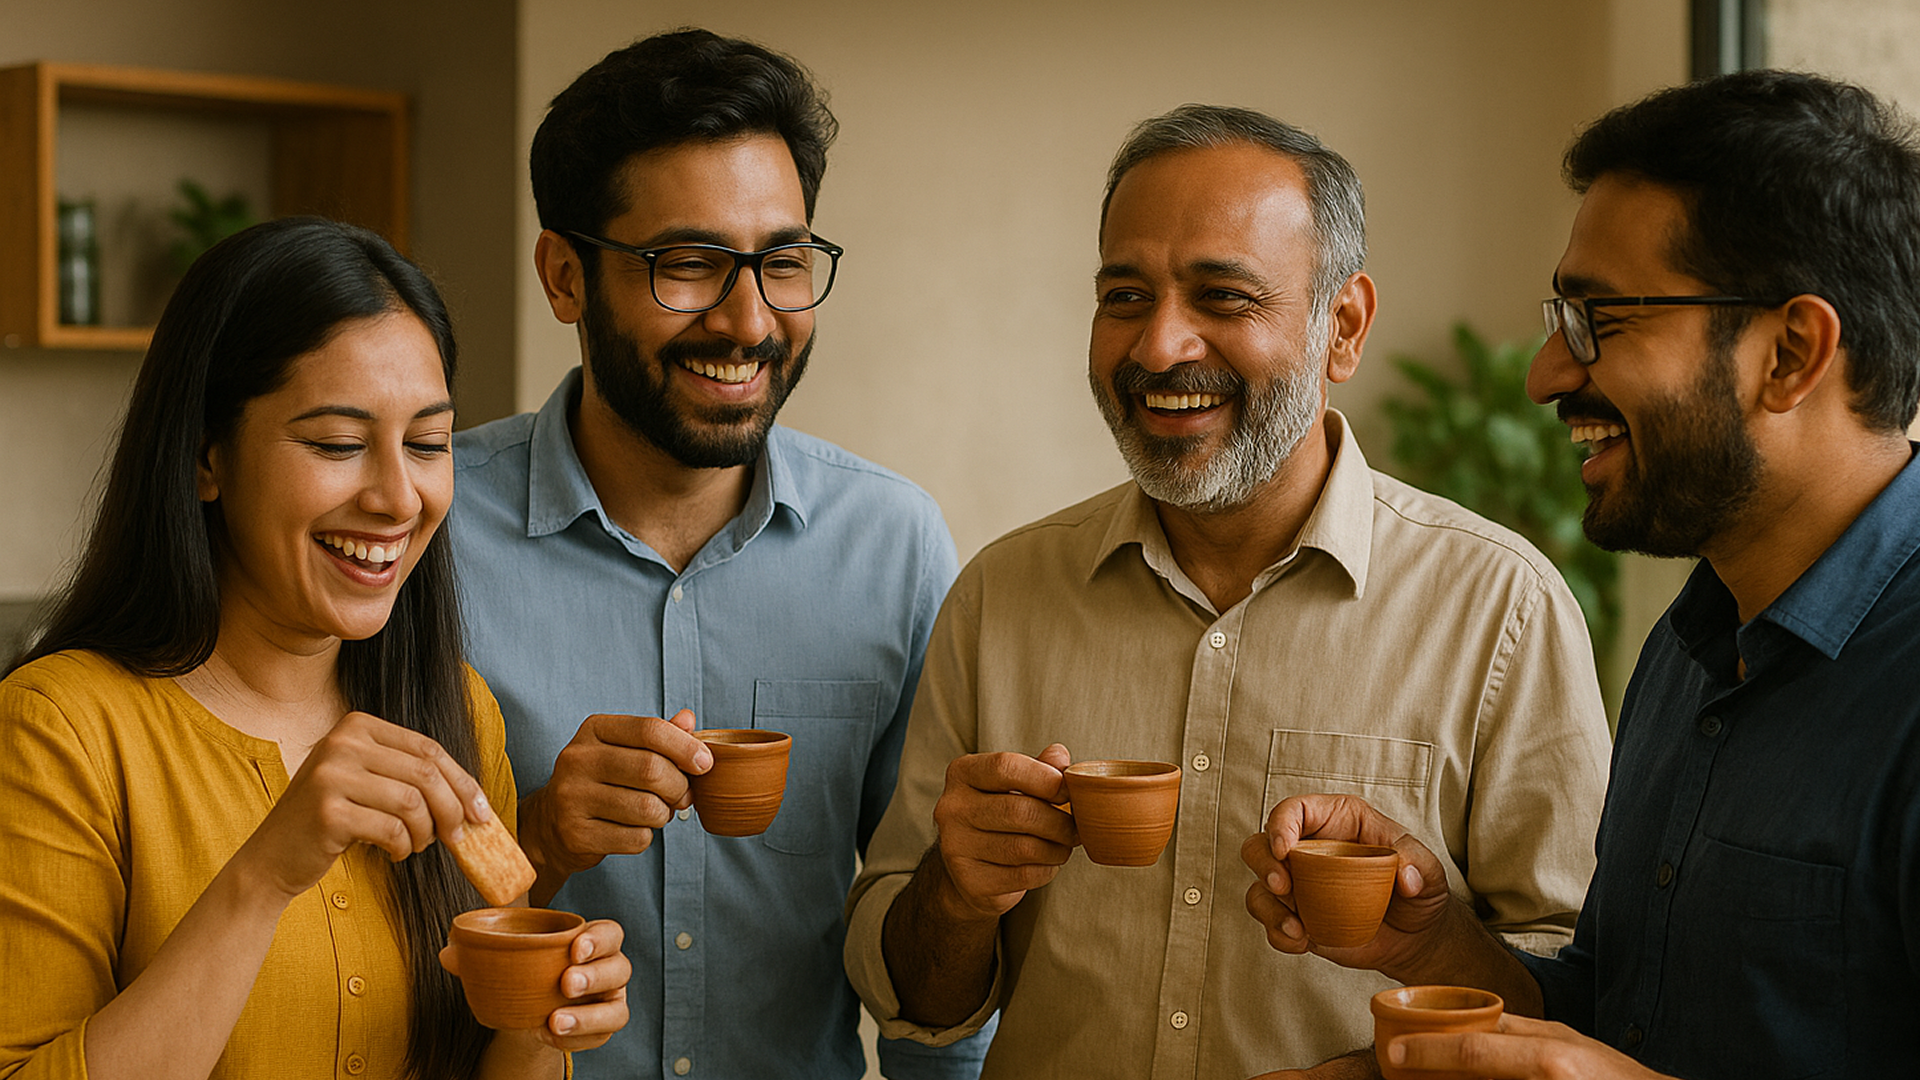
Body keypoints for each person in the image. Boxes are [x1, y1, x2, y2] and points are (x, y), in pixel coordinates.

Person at [843, 103, 1613, 1078]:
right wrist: (954, 894)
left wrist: (1432, 940)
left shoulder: (1501, 610)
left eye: (1224, 298)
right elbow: (916, 1004)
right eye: (1125, 295)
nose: (1160, 347)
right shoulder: (1001, 596)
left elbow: (1576, 1004)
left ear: (1344, 326)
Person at [1245, 69, 1920, 1079]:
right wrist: (1438, 945)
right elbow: (1618, 1014)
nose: (1546, 375)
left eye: (1601, 321)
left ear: (1790, 353)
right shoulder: (1696, 645)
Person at [451, 28, 988, 1080]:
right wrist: (537, 835)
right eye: (687, 266)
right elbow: (345, 929)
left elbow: (933, 930)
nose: (748, 321)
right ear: (565, 277)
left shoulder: (894, 545)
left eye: (783, 262)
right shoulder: (431, 536)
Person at [0, 217, 631, 1080]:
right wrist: (264, 874)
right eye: (337, 444)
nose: (397, 496)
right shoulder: (58, 730)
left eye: (427, 443)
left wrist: (536, 1026)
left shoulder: (452, 707)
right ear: (204, 457)